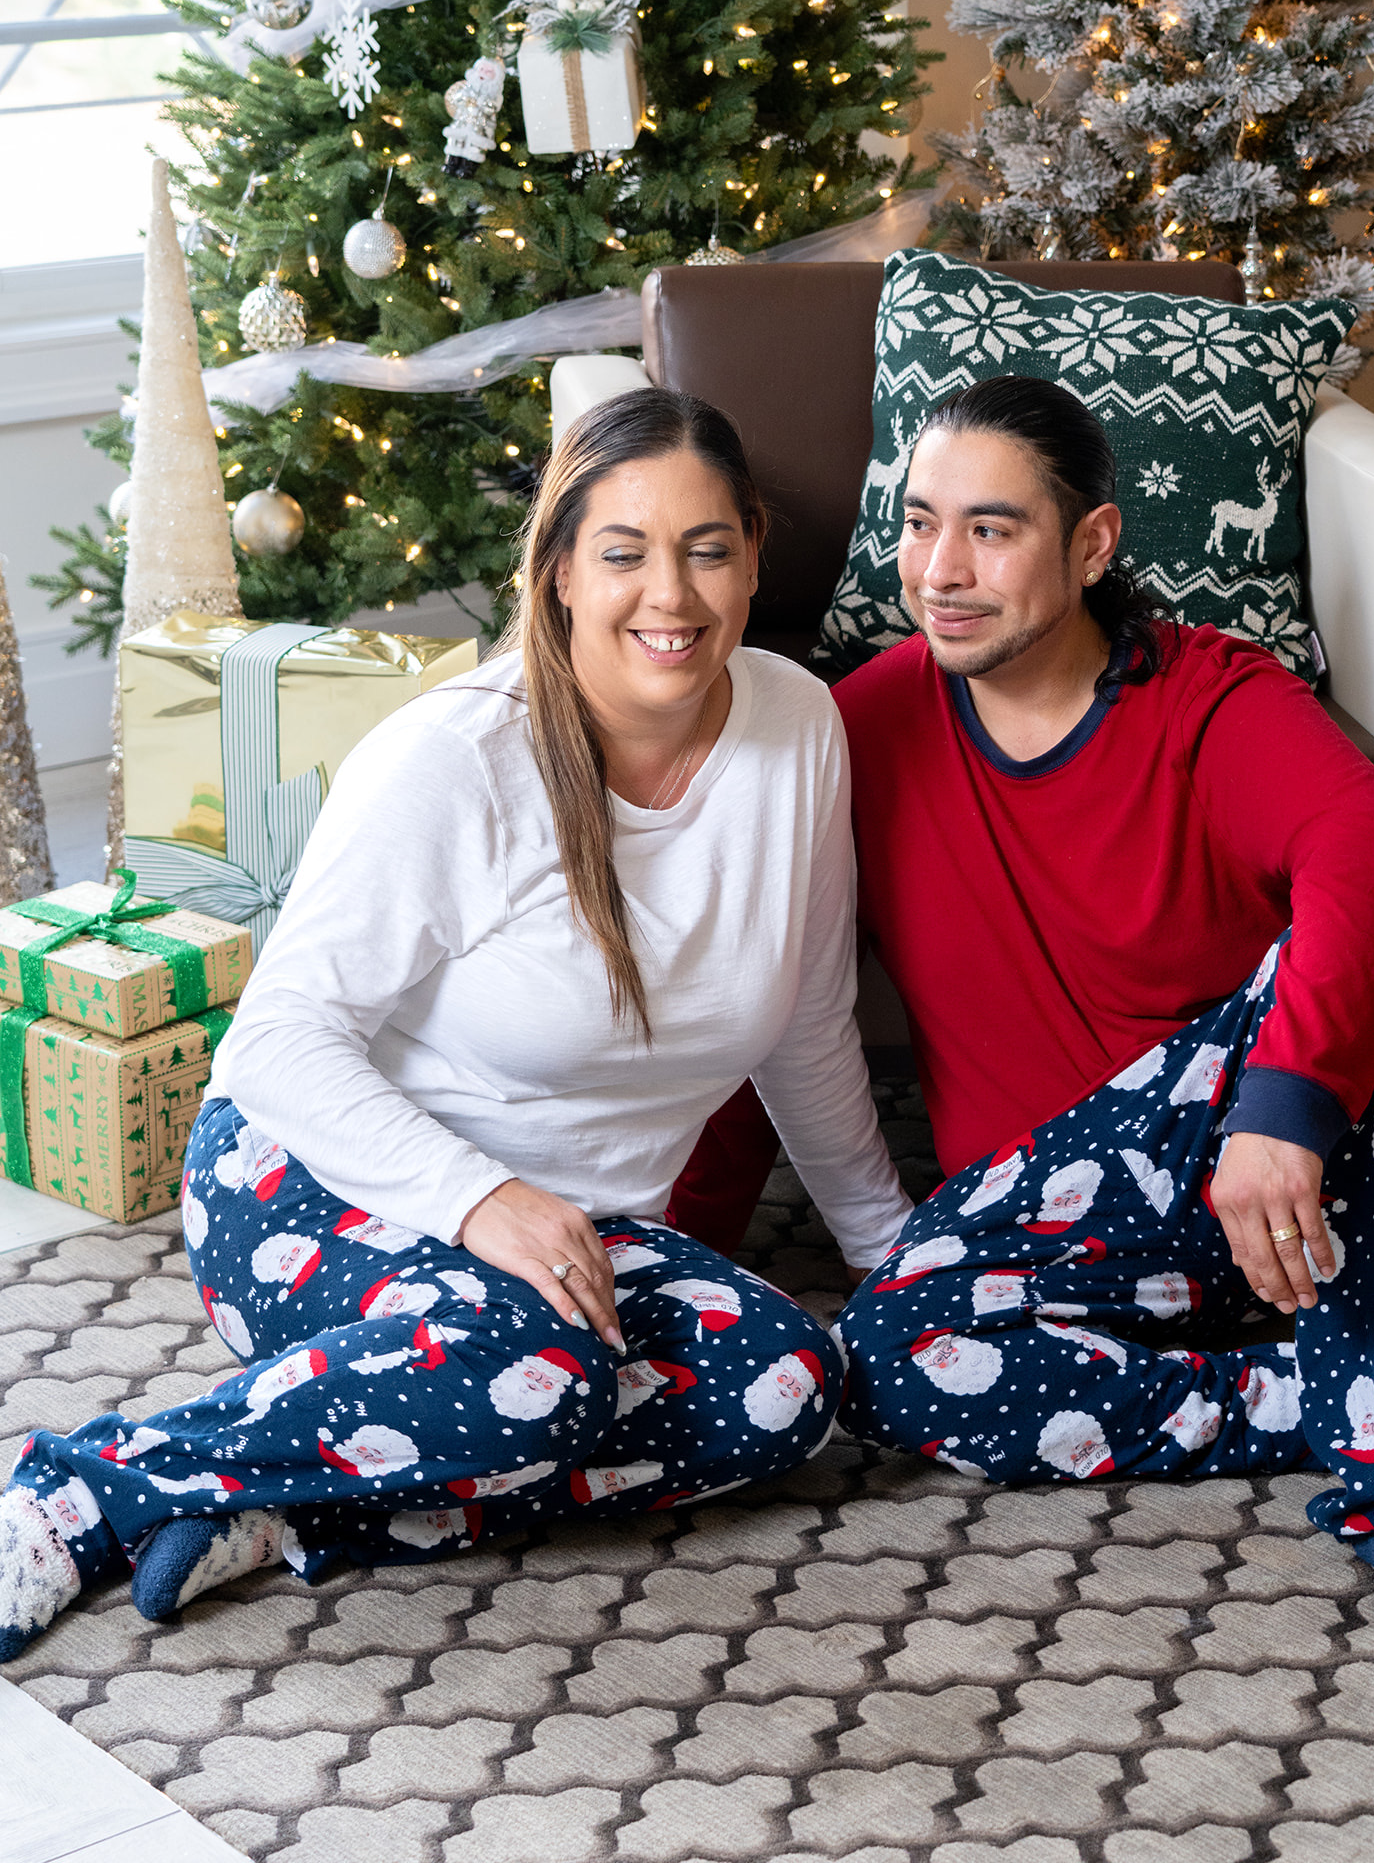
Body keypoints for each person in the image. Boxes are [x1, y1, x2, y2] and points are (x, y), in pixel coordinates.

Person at [673, 372, 1374, 1694]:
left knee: (1363, 1003)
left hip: (1276, 1193)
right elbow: (765, 995)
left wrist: (1280, 1111)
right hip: (1054, 1225)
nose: (941, 570)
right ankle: (1364, 1402)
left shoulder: (1209, 696)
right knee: (890, 1358)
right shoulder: (860, 728)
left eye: (991, 529)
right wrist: (681, 1252)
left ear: (1091, 544)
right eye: (919, 524)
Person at [0, 389, 912, 1660]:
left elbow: (807, 1023)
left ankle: (291, 1512)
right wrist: (482, 1198)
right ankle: (91, 1485)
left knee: (786, 1388)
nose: (672, 594)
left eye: (707, 549)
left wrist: (891, 1258)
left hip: (574, 1237)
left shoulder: (797, 724)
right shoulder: (455, 757)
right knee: (543, 1378)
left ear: (753, 556)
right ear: (558, 571)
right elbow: (274, 1044)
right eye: (624, 552)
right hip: (315, 1183)